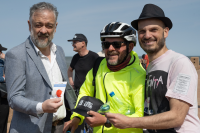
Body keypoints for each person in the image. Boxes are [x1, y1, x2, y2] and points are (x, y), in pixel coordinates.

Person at [105, 4, 200, 133]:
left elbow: (177, 117)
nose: (147, 35)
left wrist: (128, 122)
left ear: (165, 32)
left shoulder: (179, 63)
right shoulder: (150, 67)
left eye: (153, 30)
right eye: (142, 31)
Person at [4, 2, 77, 133]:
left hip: (60, 127)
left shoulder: (59, 51)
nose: (43, 30)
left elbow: (65, 88)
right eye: (38, 25)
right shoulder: (16, 55)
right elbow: (14, 98)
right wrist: (41, 107)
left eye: (49, 26)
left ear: (55, 27)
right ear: (29, 25)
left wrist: (76, 114)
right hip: (30, 129)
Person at [63, 22, 146, 133]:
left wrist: (106, 121)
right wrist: (77, 117)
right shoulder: (98, 66)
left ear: (130, 47)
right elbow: (85, 93)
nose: (110, 49)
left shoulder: (139, 75)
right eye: (106, 44)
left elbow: (140, 116)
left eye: (117, 44)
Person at [0, 44, 9, 133]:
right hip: (2, 93)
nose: (2, 53)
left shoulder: (3, 62)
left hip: (4, 94)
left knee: (4, 122)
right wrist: (4, 78)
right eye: (0, 51)